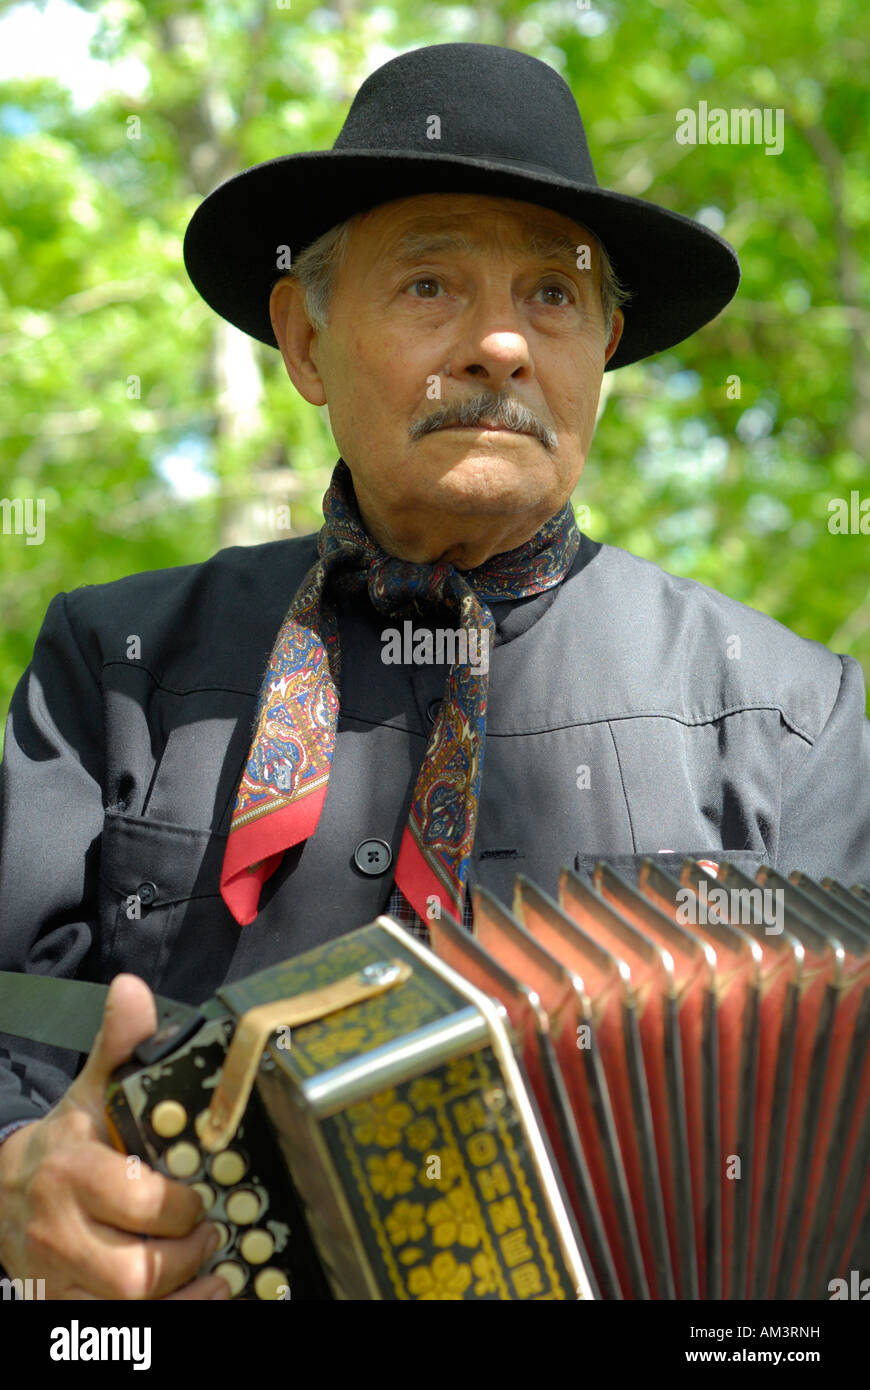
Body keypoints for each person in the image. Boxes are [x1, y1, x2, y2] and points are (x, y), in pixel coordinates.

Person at [0, 42, 868, 1301]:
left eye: (556, 299)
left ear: (603, 353)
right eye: (429, 285)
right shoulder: (110, 665)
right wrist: (20, 1175)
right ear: (304, 340)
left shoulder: (791, 715)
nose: (503, 343)